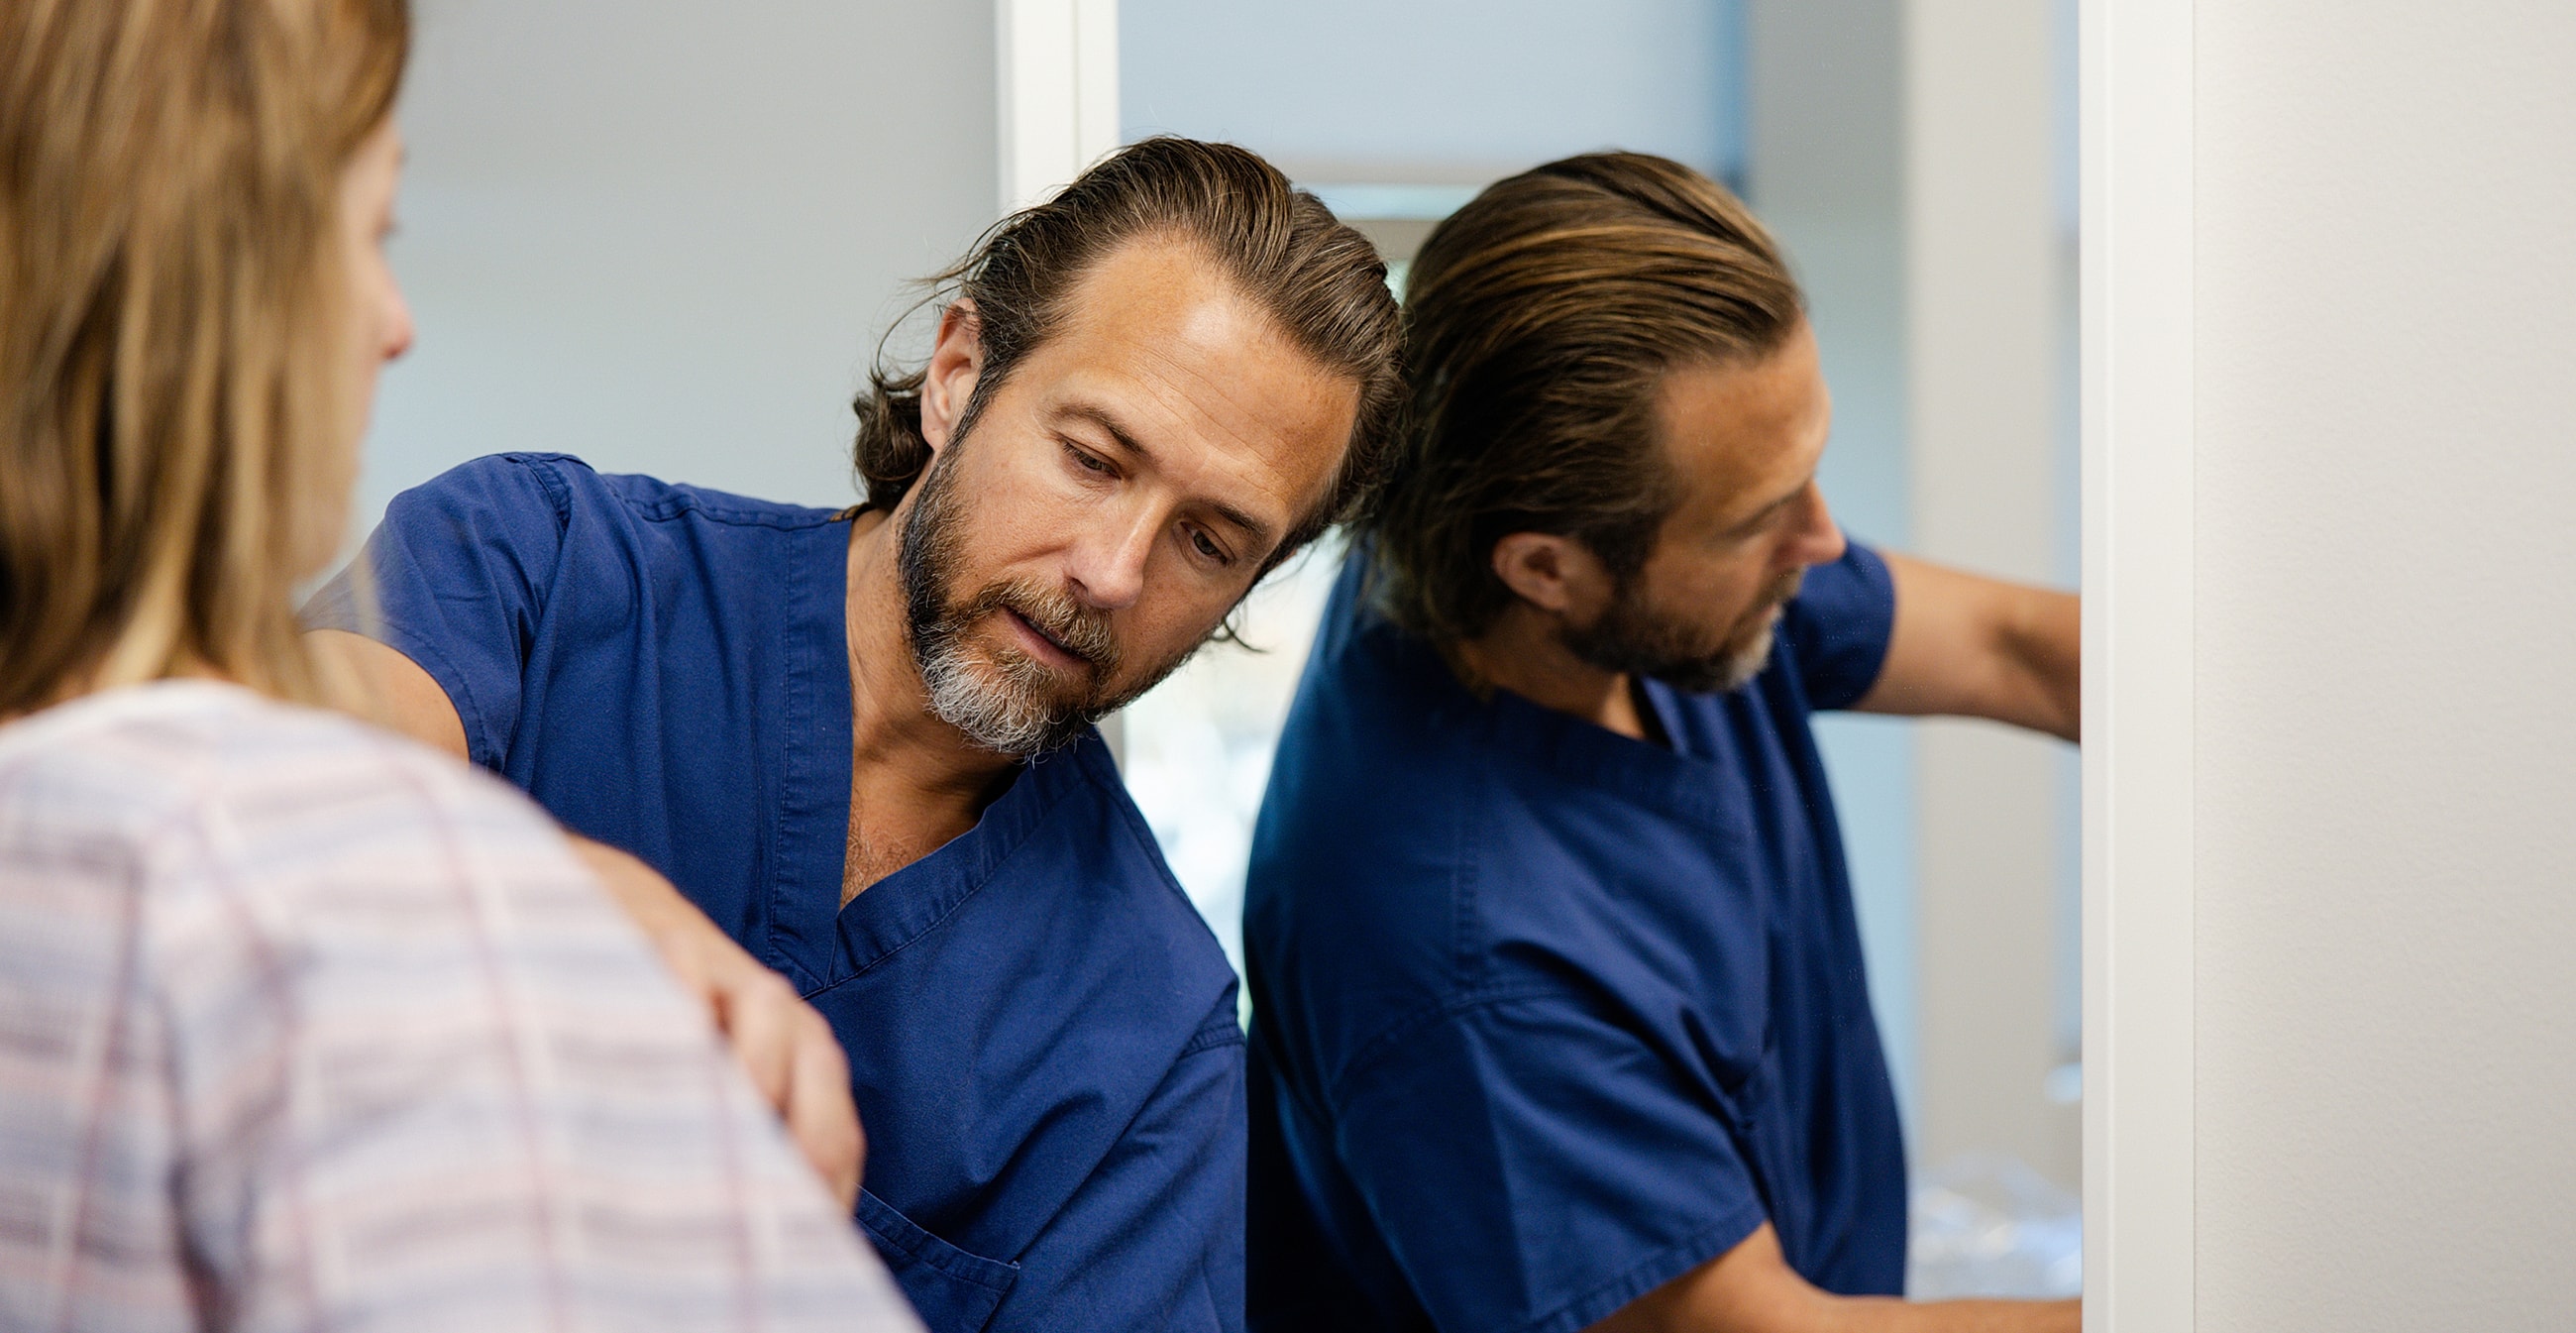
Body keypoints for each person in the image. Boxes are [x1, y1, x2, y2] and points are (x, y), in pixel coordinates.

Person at [304, 137, 1403, 1332]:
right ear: (957, 373)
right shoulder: (534, 565)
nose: (1110, 572)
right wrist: (574, 900)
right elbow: (269, 808)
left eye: (1208, 542)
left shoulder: (1144, 1037)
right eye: (1091, 458)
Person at [0, 1, 921, 1329]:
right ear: (214, 287)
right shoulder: (388, 909)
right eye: (372, 235)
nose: (395, 322)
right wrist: (497, 893)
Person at [1245, 154, 2083, 1333]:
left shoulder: (1542, 540)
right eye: (1757, 518)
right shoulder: (1465, 965)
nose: (1824, 541)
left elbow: (2015, 646)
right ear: (1543, 567)